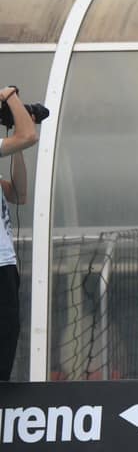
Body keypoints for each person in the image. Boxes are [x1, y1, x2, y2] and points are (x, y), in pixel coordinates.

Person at [0, 86, 39, 381]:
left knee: (7, 335)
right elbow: (29, 136)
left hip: (5, 264)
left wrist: (16, 144)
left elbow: (18, 193)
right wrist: (10, 96)